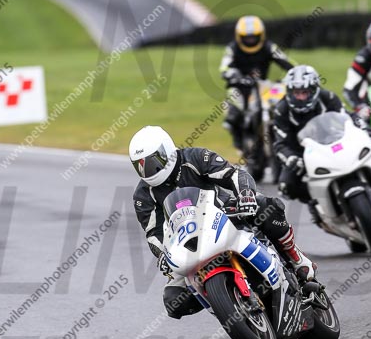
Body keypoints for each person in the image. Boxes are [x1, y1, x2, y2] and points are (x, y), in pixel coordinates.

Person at [129, 125, 316, 320]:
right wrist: (162, 255)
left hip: (227, 216)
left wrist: (245, 194)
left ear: (166, 151)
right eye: (139, 165)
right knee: (174, 301)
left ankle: (296, 259)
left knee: (266, 206)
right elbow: (153, 234)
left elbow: (234, 174)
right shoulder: (143, 195)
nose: (146, 170)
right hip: (189, 242)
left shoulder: (195, 157)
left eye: (150, 163)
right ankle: (227, 304)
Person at [273, 65, 347, 224]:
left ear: (314, 90)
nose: (300, 97)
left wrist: (363, 131)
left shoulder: (329, 98)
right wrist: (290, 158)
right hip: (301, 154)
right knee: (286, 186)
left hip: (331, 144)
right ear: (289, 91)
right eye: (296, 93)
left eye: (304, 92)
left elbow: (349, 119)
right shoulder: (281, 109)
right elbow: (279, 144)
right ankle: (315, 202)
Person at [220, 15, 293, 149]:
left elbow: (287, 63)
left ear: (261, 35)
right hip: (239, 86)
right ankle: (238, 137)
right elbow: (224, 68)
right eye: (247, 37)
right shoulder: (233, 48)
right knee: (234, 110)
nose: (250, 40)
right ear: (239, 36)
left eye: (254, 37)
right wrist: (232, 74)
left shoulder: (269, 47)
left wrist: (295, 72)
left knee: (280, 104)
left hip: (263, 86)